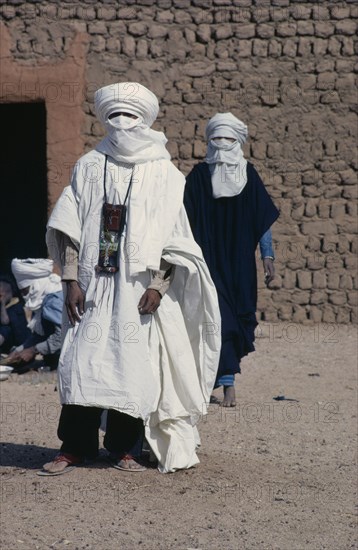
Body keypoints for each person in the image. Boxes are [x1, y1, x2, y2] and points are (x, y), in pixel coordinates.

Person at [40, 82, 220, 476]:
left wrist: (159, 284)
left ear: (145, 120)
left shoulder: (165, 174)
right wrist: (70, 277)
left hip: (138, 289)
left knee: (132, 365)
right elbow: (68, 225)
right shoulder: (88, 165)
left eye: (130, 117)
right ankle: (74, 447)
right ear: (105, 119)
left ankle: (123, 448)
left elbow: (175, 237)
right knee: (80, 364)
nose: (121, 125)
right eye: (114, 117)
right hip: (92, 283)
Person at [184, 112, 279, 407]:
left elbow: (262, 219)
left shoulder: (248, 175)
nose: (222, 144)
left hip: (238, 266)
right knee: (212, 319)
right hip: (206, 261)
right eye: (217, 138)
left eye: (228, 139)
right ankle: (222, 382)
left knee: (234, 318)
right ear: (209, 141)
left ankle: (222, 382)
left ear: (237, 141)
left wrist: (268, 256)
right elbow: (182, 218)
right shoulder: (199, 177)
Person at [7, 259, 63, 371]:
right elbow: (40, 334)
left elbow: (61, 335)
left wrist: (33, 350)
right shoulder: (40, 301)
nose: (24, 296)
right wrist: (20, 349)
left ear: (35, 286)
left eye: (25, 291)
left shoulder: (53, 301)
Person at [0, 275, 30, 354]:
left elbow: (5, 321)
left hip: (18, 343)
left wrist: (2, 303)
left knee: (5, 328)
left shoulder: (16, 308)